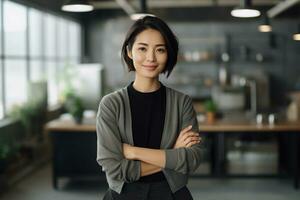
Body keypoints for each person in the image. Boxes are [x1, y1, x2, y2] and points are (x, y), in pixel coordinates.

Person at [96, 15, 205, 200]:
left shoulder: (182, 103)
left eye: (160, 50)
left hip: (172, 194)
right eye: (142, 49)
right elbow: (114, 168)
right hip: (122, 195)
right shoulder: (111, 104)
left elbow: (192, 159)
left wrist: (133, 152)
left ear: (168, 54)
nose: (151, 58)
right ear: (130, 52)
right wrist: (172, 155)